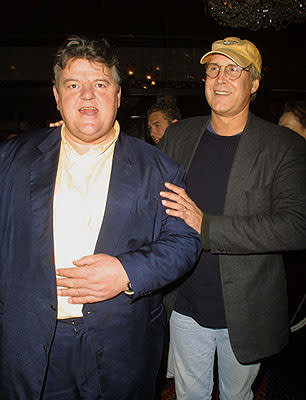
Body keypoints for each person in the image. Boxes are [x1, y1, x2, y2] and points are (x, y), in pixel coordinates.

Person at [0, 35, 202, 400]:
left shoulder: (159, 168)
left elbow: (185, 242)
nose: (88, 95)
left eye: (100, 84)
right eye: (74, 85)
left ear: (119, 96)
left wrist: (127, 272)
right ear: (57, 96)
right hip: (32, 343)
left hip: (122, 345)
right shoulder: (11, 160)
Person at [158, 37, 306, 400]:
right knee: (189, 395)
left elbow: (296, 226)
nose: (220, 78)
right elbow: (146, 193)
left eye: (233, 70)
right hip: (185, 303)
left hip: (246, 311)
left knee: (236, 396)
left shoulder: (283, 145)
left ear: (254, 84)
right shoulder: (180, 134)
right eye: (213, 69)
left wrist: (204, 224)